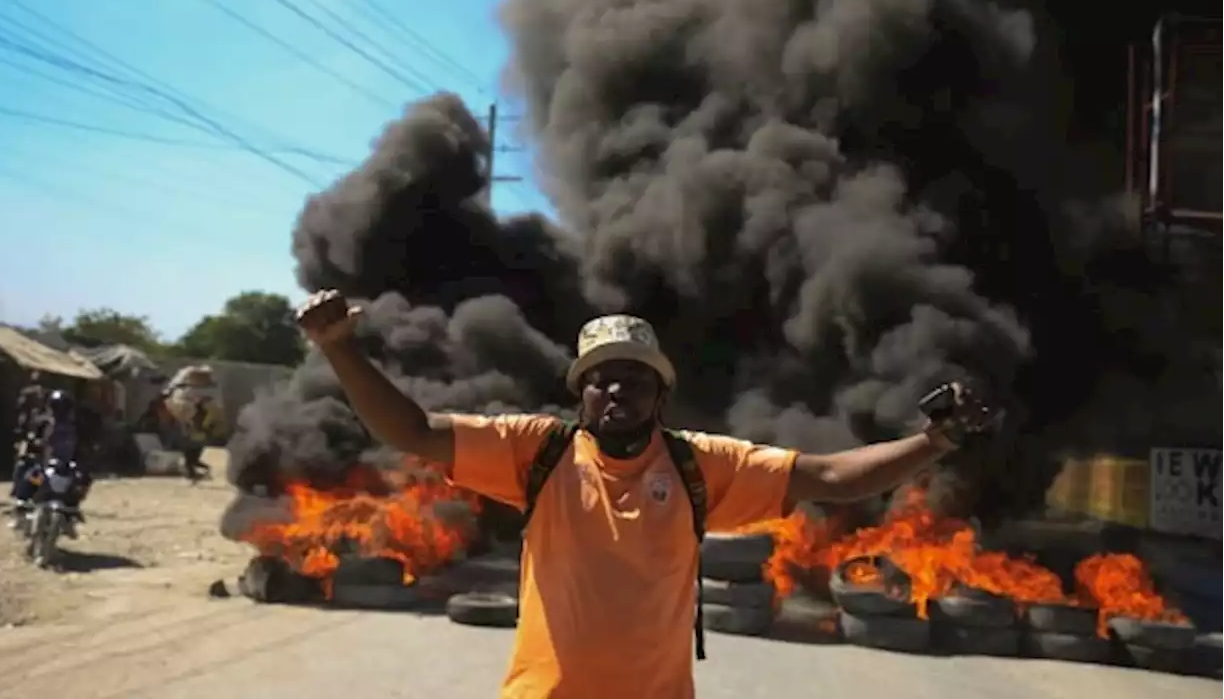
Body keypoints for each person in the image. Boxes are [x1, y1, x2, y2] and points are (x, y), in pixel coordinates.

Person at [295, 289, 992, 699]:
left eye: (634, 375)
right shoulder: (534, 452)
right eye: (600, 376)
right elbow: (415, 431)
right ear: (581, 391)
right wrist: (339, 350)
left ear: (662, 391)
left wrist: (937, 441)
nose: (616, 387)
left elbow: (835, 477)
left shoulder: (701, 466)